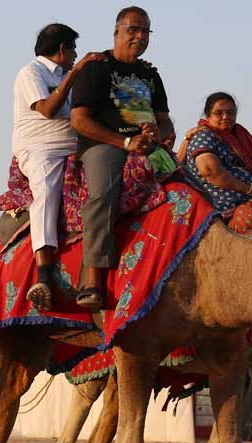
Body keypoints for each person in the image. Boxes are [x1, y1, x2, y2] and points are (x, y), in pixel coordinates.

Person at [69, 6, 174, 309]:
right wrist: (125, 141)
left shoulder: (150, 74)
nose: (139, 37)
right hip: (106, 144)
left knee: (190, 185)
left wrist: (161, 132)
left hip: (148, 146)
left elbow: (165, 119)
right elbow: (79, 120)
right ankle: (92, 278)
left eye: (145, 32)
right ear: (116, 31)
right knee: (102, 196)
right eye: (133, 30)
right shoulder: (96, 68)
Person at [12, 23, 104, 310]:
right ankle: (44, 273)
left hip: (74, 145)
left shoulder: (66, 75)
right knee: (47, 192)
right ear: (62, 49)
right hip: (41, 149)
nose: (76, 55)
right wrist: (76, 73)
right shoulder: (31, 73)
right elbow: (48, 110)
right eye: (73, 49)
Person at [177, 92, 252, 235]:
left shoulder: (242, 137)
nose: (226, 117)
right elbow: (210, 171)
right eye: (219, 113)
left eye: (230, 112)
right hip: (223, 207)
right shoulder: (203, 136)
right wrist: (247, 188)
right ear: (208, 115)